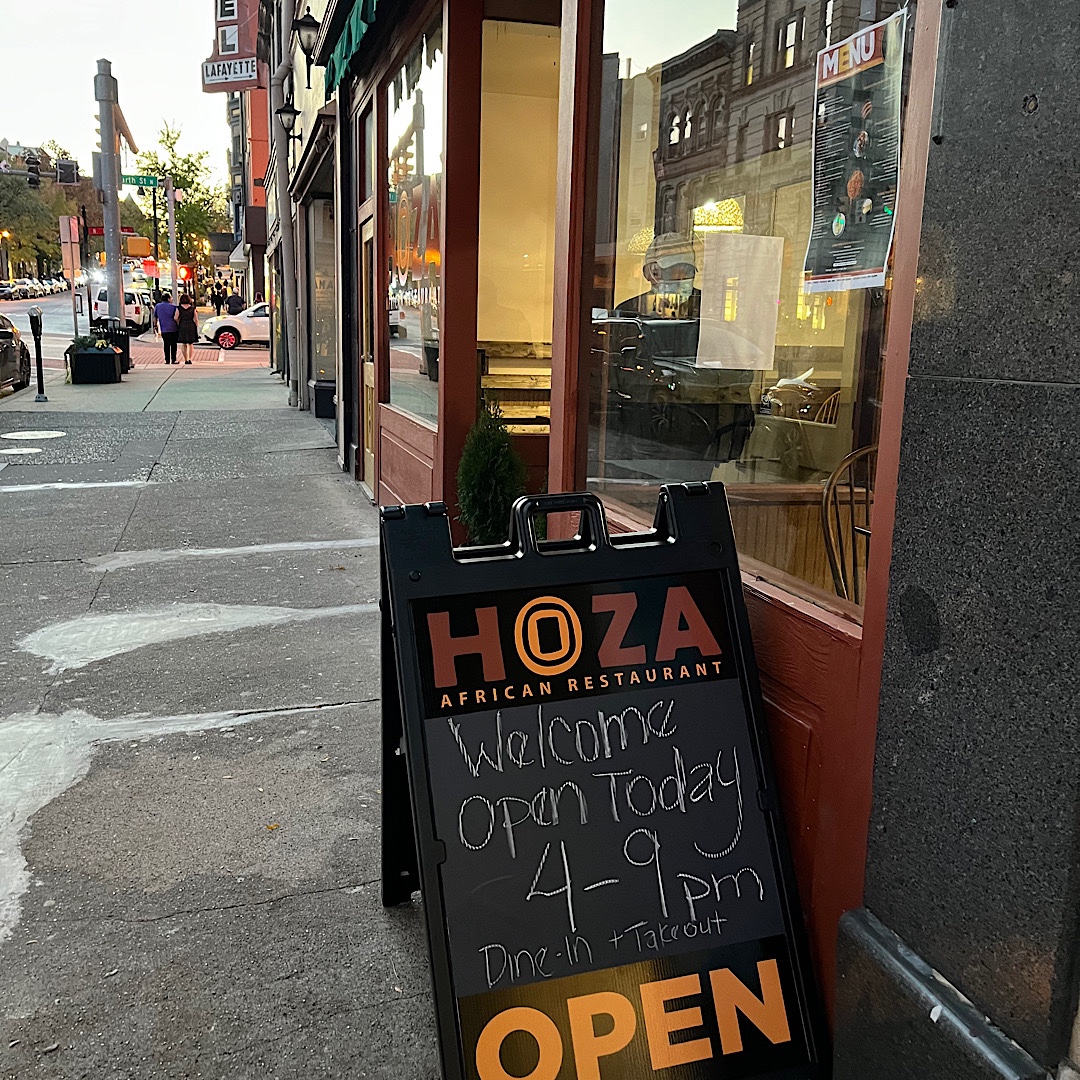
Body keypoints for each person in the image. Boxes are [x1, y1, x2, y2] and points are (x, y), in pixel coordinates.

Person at [153, 292, 180, 365]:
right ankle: (174, 359)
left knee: (166, 344)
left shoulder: (158, 306)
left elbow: (155, 317)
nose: (172, 299)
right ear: (168, 299)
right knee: (173, 344)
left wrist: (155, 325)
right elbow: (176, 318)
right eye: (171, 298)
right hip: (173, 328)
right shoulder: (173, 307)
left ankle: (167, 360)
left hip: (164, 328)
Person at [176, 293, 198, 364]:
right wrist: (196, 326)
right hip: (191, 325)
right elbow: (196, 319)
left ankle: (185, 359)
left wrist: (178, 322)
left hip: (182, 325)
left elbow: (175, 317)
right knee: (190, 343)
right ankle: (190, 359)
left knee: (184, 343)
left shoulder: (179, 308)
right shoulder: (193, 308)